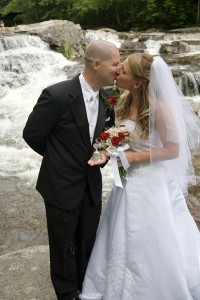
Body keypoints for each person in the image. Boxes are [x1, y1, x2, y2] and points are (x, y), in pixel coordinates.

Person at [80, 53, 200, 300]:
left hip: (151, 182)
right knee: (119, 229)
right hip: (128, 179)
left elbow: (173, 150)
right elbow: (121, 134)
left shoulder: (160, 108)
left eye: (122, 70)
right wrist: (106, 149)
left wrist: (133, 158)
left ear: (137, 83)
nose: (117, 72)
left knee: (149, 233)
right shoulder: (123, 99)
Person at [23, 39, 120, 300]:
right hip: (60, 184)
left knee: (88, 239)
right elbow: (32, 134)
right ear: (97, 64)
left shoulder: (108, 99)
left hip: (91, 184)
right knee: (63, 245)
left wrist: (103, 155)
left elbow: (105, 137)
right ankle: (67, 294)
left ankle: (85, 288)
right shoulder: (55, 95)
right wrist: (59, 160)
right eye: (115, 63)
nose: (118, 70)